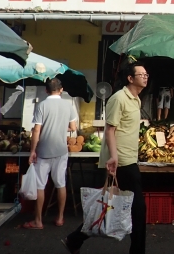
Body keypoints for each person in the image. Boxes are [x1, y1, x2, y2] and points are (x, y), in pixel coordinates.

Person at [63, 61, 148, 254]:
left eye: (146, 75)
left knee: (115, 205)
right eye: (141, 74)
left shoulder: (136, 99)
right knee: (138, 209)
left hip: (130, 158)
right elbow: (110, 130)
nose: (145, 77)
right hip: (121, 161)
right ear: (130, 78)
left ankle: (75, 239)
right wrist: (114, 157)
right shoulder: (118, 98)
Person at [25, 78, 77, 229]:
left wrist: (32, 150)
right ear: (61, 90)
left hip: (43, 151)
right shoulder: (68, 105)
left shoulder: (42, 105)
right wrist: (61, 129)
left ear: (46, 90)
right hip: (61, 151)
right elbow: (73, 127)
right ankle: (60, 218)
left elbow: (36, 130)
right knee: (61, 183)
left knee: (40, 186)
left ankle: (38, 221)